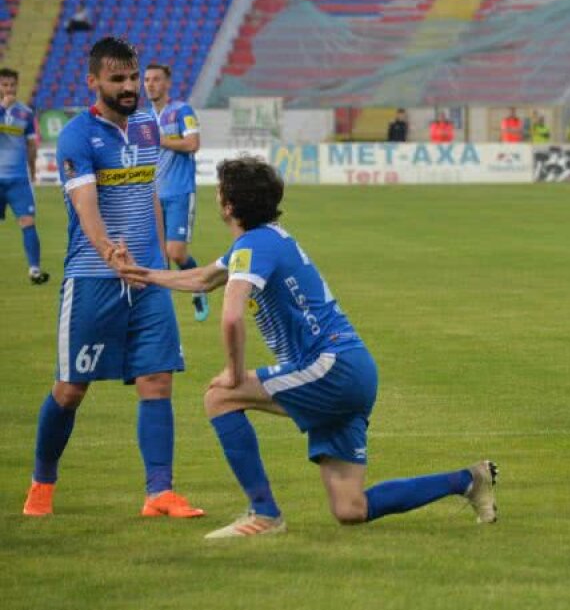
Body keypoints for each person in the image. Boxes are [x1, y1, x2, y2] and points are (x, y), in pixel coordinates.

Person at [119, 156, 498, 537]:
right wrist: (142, 274)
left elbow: (232, 315)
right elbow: (204, 278)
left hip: (331, 366)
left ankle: (264, 514)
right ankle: (468, 480)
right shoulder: (264, 240)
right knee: (351, 508)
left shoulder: (255, 245)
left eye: (219, 191)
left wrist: (235, 374)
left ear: (229, 205)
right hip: (353, 369)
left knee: (220, 396)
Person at [22, 37, 204, 518]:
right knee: (71, 389)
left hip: (146, 278)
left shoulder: (147, 127)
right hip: (92, 279)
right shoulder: (78, 137)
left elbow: (148, 197)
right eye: (117, 79)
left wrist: (161, 264)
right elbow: (85, 206)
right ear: (94, 81)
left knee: (158, 380)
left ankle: (159, 492)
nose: (128, 87)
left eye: (132, 78)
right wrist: (109, 253)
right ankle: (42, 482)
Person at [143, 63, 208, 322]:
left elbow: (193, 143)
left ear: (168, 83)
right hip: (154, 195)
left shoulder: (182, 111)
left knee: (176, 253)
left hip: (180, 192)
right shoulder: (144, 117)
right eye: (146, 80)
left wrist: (161, 140)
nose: (150, 84)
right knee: (159, 258)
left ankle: (199, 287)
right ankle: (162, 315)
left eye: (156, 79)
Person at [0, 67, 50, 285]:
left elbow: (31, 145)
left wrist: (32, 169)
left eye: (12, 85)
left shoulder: (25, 113)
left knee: (28, 221)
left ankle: (35, 270)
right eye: (4, 85)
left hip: (18, 179)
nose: (9, 89)